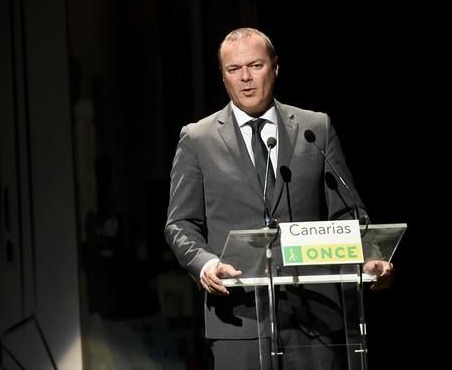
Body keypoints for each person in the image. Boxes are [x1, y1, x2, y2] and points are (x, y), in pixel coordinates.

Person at [164, 27, 394, 369]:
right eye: (233, 69)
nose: (245, 78)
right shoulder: (198, 139)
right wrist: (206, 264)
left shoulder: (314, 128)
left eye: (255, 65)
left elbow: (347, 212)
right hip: (238, 319)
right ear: (223, 76)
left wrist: (367, 257)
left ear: (275, 67)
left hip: (315, 317)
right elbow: (180, 223)